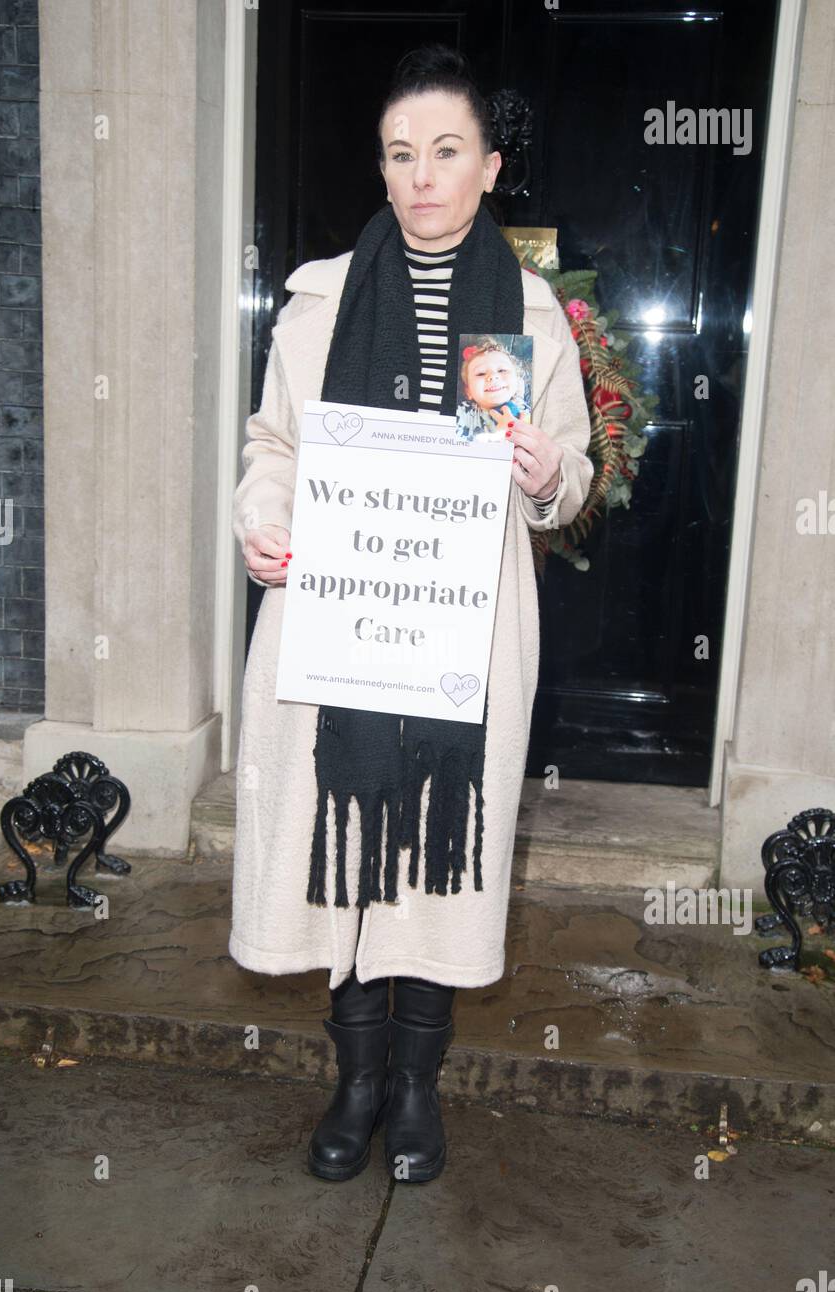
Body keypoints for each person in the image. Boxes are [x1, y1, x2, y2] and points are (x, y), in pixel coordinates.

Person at [230, 43, 594, 1184]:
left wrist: (543, 473)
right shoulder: (321, 297)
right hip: (336, 620)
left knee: (437, 862)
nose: (420, 176)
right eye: (399, 154)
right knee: (345, 849)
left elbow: (573, 474)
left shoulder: (528, 313)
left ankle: (414, 1095)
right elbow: (274, 447)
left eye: (444, 153)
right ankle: (350, 1085)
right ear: (380, 168)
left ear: (487, 168)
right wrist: (259, 518)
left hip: (464, 631)